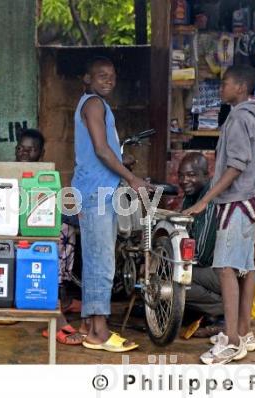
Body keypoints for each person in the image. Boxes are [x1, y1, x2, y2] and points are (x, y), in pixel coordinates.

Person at [183, 65, 255, 364]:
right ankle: (244, 332)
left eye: (224, 83)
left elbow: (236, 165)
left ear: (240, 87)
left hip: (236, 201)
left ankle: (231, 341)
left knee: (226, 268)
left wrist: (205, 200)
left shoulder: (238, 118)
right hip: (252, 198)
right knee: (246, 267)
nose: (221, 87)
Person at [73, 56, 151, 352]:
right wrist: (132, 177)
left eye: (112, 76)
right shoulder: (93, 103)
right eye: (101, 75)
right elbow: (102, 150)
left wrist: (121, 161)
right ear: (87, 79)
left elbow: (105, 153)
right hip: (95, 192)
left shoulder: (91, 104)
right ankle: (99, 333)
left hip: (93, 189)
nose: (108, 80)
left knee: (95, 257)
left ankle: (87, 325)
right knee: (102, 262)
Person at [15, 128, 84, 345]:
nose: (24, 153)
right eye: (20, 148)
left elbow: (55, 208)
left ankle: (61, 293)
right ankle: (55, 309)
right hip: (15, 233)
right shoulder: (8, 173)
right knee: (56, 233)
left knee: (66, 228)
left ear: (42, 153)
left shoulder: (46, 178)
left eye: (31, 149)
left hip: (39, 231)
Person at [179, 152, 224, 334]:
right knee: (171, 272)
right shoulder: (191, 196)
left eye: (191, 175)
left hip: (221, 273)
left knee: (174, 279)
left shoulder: (209, 201)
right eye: (181, 175)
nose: (184, 180)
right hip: (210, 271)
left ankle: (226, 308)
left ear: (206, 175)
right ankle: (212, 311)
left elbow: (203, 256)